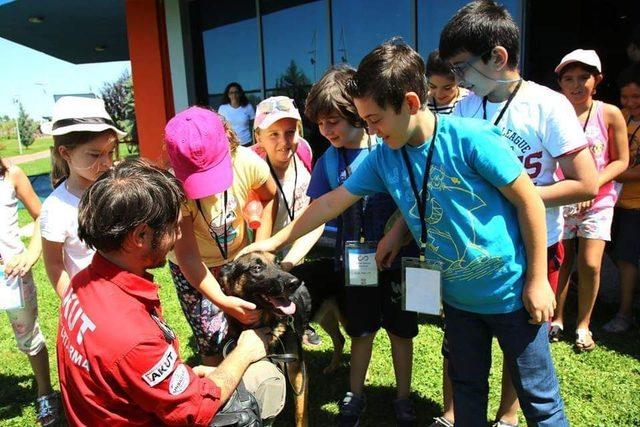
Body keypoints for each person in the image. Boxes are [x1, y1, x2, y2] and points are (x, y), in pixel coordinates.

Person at [239, 40, 568, 426]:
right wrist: (276, 241)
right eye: (363, 121)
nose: (370, 129)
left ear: (411, 103)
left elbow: (528, 201)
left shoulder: (472, 139)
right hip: (460, 303)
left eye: (375, 119)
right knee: (467, 392)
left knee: (539, 401)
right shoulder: (385, 156)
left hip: (512, 296)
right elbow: (330, 203)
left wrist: (536, 280)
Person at [438, 2, 598, 425]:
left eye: (462, 68)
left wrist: (521, 195)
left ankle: (509, 417)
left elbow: (586, 182)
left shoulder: (547, 105)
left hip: (534, 250)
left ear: (498, 57)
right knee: (470, 362)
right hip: (479, 258)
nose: (459, 80)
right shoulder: (467, 107)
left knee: (528, 362)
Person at [56, 158, 285, 426]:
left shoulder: (81, 284)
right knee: (267, 377)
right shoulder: (132, 337)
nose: (178, 236)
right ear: (140, 236)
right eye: (174, 227)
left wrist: (174, 376)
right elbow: (196, 410)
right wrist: (245, 351)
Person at [301, 65, 419, 427]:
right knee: (360, 329)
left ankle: (403, 397)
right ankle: (355, 394)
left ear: (357, 113)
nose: (327, 130)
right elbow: (316, 212)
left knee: (402, 330)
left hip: (404, 261)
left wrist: (397, 233)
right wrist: (289, 258)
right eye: (320, 124)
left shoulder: (388, 149)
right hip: (356, 265)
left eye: (333, 120)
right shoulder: (327, 160)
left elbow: (414, 200)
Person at [165, 106, 277, 366]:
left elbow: (270, 196)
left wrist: (260, 248)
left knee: (252, 322)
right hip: (193, 267)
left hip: (238, 257)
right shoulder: (176, 191)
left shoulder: (246, 162)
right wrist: (222, 301)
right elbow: (188, 256)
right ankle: (217, 388)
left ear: (228, 139)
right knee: (210, 334)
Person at [552, 49, 629, 350]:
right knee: (561, 259)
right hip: (561, 198)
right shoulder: (554, 113)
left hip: (598, 200)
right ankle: (556, 319)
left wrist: (592, 184)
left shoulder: (609, 113)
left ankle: (584, 325)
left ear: (598, 80)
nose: (576, 84)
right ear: (559, 83)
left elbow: (620, 161)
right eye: (568, 78)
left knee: (590, 263)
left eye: (584, 77)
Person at [251, 96, 325, 346]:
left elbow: (313, 212)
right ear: (257, 136)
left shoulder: (304, 149)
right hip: (262, 245)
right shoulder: (251, 167)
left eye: (290, 132)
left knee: (294, 286)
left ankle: (300, 324)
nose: (284, 142)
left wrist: (292, 258)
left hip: (296, 239)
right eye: (273, 134)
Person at [40, 96, 123, 298]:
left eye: (110, 153)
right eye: (95, 155)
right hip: (90, 300)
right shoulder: (56, 208)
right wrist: (72, 303)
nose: (106, 163)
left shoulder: (117, 188)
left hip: (127, 293)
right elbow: (54, 263)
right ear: (66, 153)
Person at [0, 157, 61, 426]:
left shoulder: (11, 175)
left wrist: (32, 253)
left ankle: (44, 392)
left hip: (12, 275)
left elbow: (40, 214)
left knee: (28, 335)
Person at [603, 63, 640, 333]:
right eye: (625, 97)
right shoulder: (620, 116)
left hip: (636, 203)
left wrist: (613, 173)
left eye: (636, 97)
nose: (629, 102)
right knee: (616, 255)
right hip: (612, 200)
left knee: (627, 258)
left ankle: (625, 314)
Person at [426, 49, 470, 115]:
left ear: (458, 81)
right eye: (433, 87)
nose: (439, 94)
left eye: (447, 88)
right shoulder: (422, 103)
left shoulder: (468, 99)